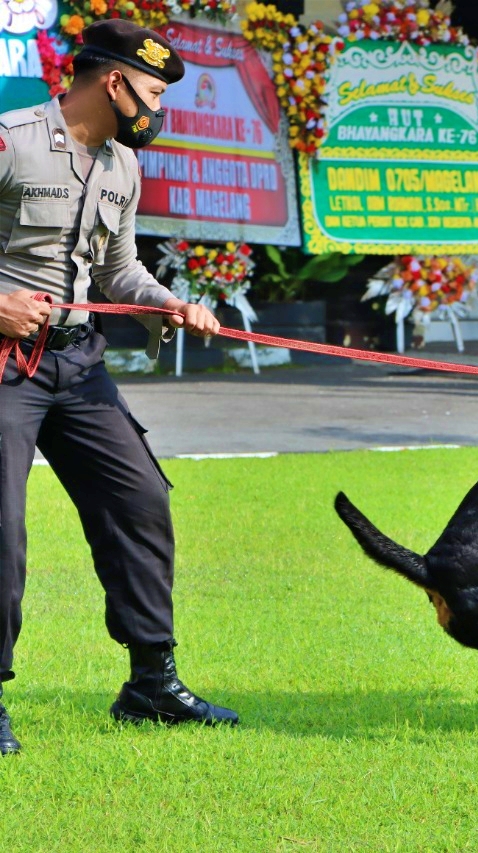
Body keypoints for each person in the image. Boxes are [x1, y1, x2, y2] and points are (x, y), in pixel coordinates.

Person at [0, 19, 238, 755]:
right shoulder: (12, 141)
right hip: (8, 366)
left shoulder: (121, 169)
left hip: (79, 364)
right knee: (1, 529)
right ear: (114, 83)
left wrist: (168, 301)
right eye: (154, 93)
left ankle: (149, 682)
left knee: (140, 498)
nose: (157, 110)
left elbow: (117, 273)